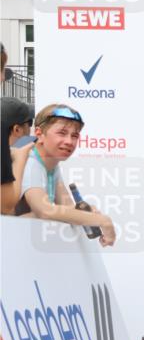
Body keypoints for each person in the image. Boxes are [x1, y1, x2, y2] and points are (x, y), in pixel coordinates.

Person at [11, 103, 116, 245]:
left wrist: (88, 212)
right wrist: (104, 221)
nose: (69, 141)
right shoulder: (31, 162)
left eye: (75, 135)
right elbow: (45, 211)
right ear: (39, 134)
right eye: (62, 133)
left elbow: (67, 207)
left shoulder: (52, 164)